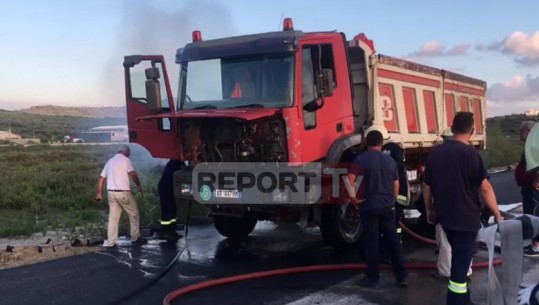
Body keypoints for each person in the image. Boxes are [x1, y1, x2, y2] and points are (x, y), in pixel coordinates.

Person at [423, 112, 503, 305]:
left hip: (445, 217)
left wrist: (430, 210)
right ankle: (456, 301)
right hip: (466, 219)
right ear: (472, 131)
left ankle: (464, 300)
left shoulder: (435, 153)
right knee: (459, 270)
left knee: (460, 262)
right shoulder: (470, 154)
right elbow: (485, 187)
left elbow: (427, 186)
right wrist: (498, 215)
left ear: (452, 127)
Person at [347, 129, 408, 288]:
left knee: (372, 242)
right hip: (387, 207)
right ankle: (402, 276)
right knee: (393, 241)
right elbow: (397, 184)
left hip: (368, 207)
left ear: (366, 143)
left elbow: (349, 180)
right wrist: (392, 199)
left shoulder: (360, 160)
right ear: (382, 144)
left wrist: (354, 199)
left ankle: (372, 278)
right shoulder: (391, 161)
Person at [364, 125, 409, 262]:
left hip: (390, 196)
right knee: (394, 226)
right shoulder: (395, 151)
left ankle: (389, 255)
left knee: (391, 227)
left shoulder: (387, 151)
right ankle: (395, 256)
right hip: (394, 195)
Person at [96, 145, 147, 248]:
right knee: (134, 214)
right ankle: (136, 237)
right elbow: (133, 174)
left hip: (111, 193)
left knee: (113, 218)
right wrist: (138, 185)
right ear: (126, 153)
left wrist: (100, 193)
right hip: (123, 193)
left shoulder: (110, 161)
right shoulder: (125, 160)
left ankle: (111, 242)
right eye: (128, 154)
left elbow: (101, 178)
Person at [515, 121, 539, 257]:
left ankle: (536, 246)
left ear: (529, 131)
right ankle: (533, 239)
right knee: (530, 212)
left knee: (534, 214)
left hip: (533, 186)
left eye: (522, 131)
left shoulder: (535, 144)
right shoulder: (531, 143)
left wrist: (538, 179)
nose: (520, 134)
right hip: (528, 185)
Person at [157, 159, 184, 242]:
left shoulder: (173, 162)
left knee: (172, 208)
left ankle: (171, 230)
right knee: (168, 210)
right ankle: (166, 231)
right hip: (166, 189)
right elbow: (183, 175)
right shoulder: (177, 163)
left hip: (166, 188)